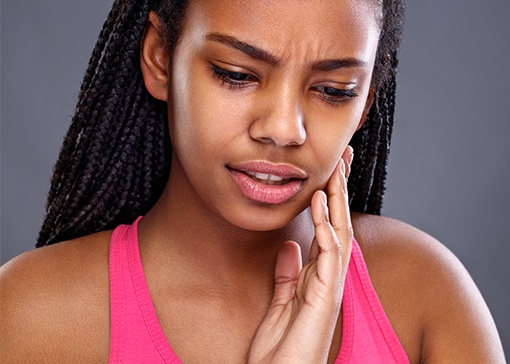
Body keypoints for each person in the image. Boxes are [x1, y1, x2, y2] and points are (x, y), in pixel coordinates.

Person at [0, 0, 505, 362]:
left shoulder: (425, 296)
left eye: (333, 89)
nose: (284, 129)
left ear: (367, 99)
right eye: (237, 74)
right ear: (160, 56)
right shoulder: (32, 317)